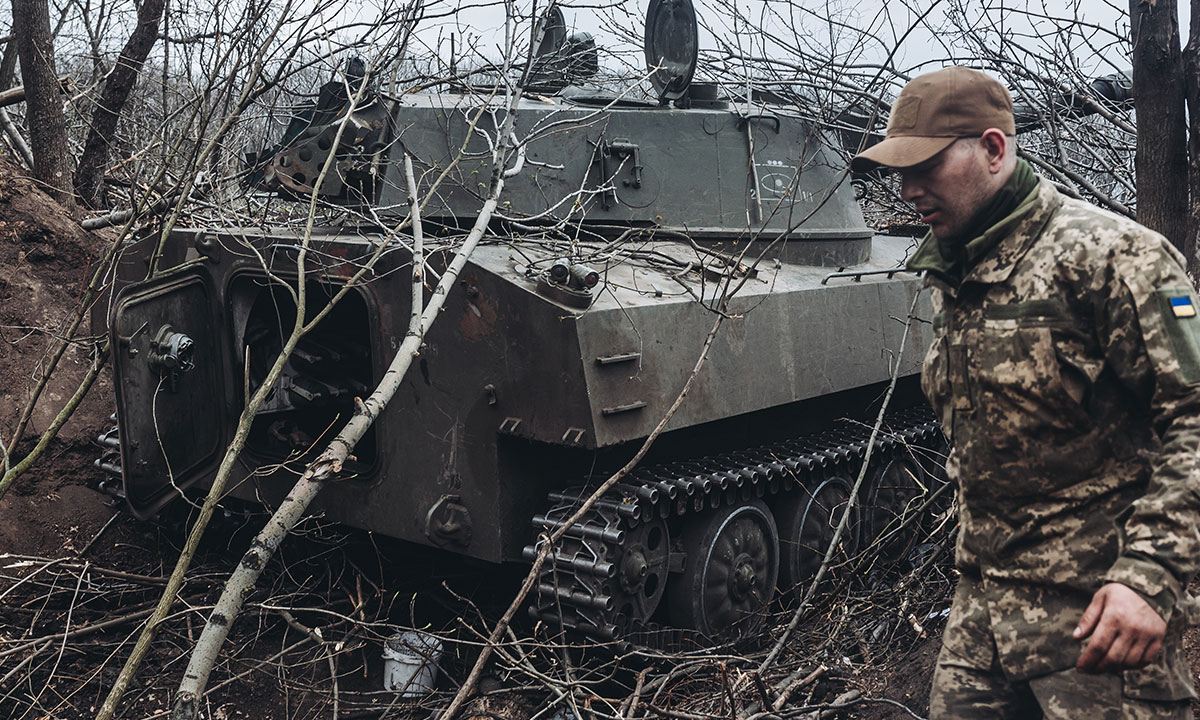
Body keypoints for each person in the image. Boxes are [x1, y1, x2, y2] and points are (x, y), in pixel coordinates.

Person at [851, 66, 1200, 718]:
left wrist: (1148, 580)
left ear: (993, 149)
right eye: (900, 170)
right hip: (983, 613)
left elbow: (1195, 421)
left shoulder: (1113, 258)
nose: (908, 187)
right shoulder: (957, 268)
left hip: (1098, 615)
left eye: (925, 164)